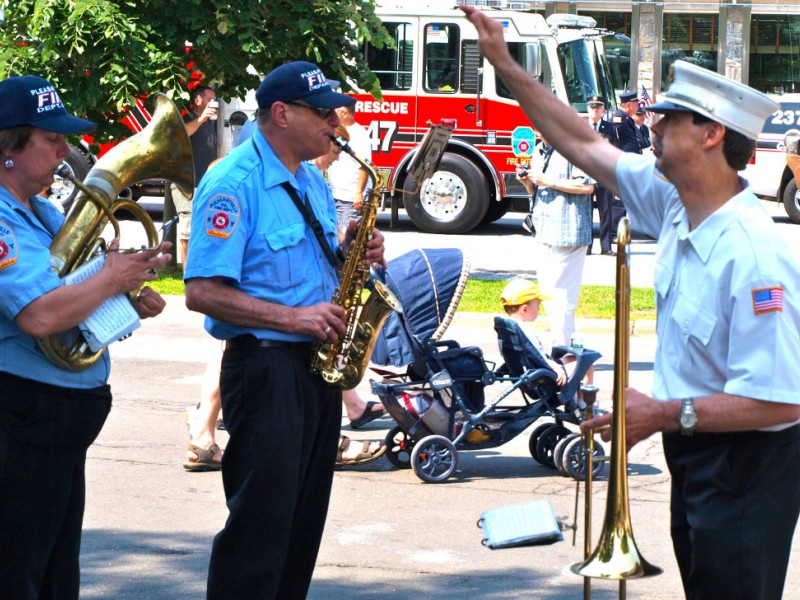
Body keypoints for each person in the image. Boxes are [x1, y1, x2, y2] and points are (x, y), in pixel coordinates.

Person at [462, 5, 800, 598]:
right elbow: (580, 140)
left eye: (670, 118)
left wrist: (663, 414)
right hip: (696, 449)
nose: (653, 126)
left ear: (712, 135)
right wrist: (507, 67)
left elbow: (780, 401)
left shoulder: (755, 255)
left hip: (745, 466)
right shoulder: (677, 201)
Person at [183, 61, 388, 599]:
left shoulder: (311, 178)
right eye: (324, 114)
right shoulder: (232, 183)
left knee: (301, 527)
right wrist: (294, 318)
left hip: (314, 367)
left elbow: (314, 267)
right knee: (260, 532)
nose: (336, 124)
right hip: (266, 367)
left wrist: (351, 252)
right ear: (281, 114)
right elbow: (201, 291)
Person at [0, 74, 171, 599]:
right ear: (7, 147)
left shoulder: (45, 212)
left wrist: (124, 298)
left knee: (56, 573)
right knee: (18, 570)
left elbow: (74, 297)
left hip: (56, 422)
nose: (64, 151)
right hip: (22, 417)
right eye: (51, 139)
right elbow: (38, 316)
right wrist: (110, 280)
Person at [516, 135, 595, 347]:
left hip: (568, 233)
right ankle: (568, 345)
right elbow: (538, 191)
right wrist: (528, 183)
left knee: (562, 295)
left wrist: (547, 180)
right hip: (543, 230)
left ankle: (562, 349)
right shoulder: (538, 150)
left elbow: (587, 186)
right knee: (548, 294)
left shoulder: (573, 146)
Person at [171, 84, 218, 266]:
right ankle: (187, 275)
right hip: (188, 184)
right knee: (187, 232)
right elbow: (181, 135)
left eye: (215, 100)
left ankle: (199, 270)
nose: (214, 103)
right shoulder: (189, 119)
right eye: (210, 99)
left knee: (203, 229)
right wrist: (201, 119)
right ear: (197, 100)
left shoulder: (209, 123)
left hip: (205, 184)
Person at [500, 278, 577, 387]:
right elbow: (537, 356)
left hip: (531, 374)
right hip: (543, 378)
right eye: (538, 306)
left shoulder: (508, 326)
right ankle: (584, 397)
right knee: (582, 363)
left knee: (571, 360)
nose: (539, 310)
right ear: (525, 309)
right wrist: (556, 368)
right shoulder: (523, 330)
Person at [327, 103, 372, 243]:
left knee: (345, 242)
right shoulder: (341, 132)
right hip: (338, 195)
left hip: (350, 198)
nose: (333, 115)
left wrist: (358, 193)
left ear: (345, 113)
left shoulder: (359, 134)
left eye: (336, 112)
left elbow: (364, 166)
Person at [586, 94, 618, 255]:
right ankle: (586, 245)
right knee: (585, 211)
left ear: (603, 110)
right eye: (592, 107)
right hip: (585, 174)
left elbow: (615, 151)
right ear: (588, 109)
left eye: (597, 107)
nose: (594, 109)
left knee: (605, 212)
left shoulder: (610, 128)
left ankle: (606, 247)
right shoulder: (581, 126)